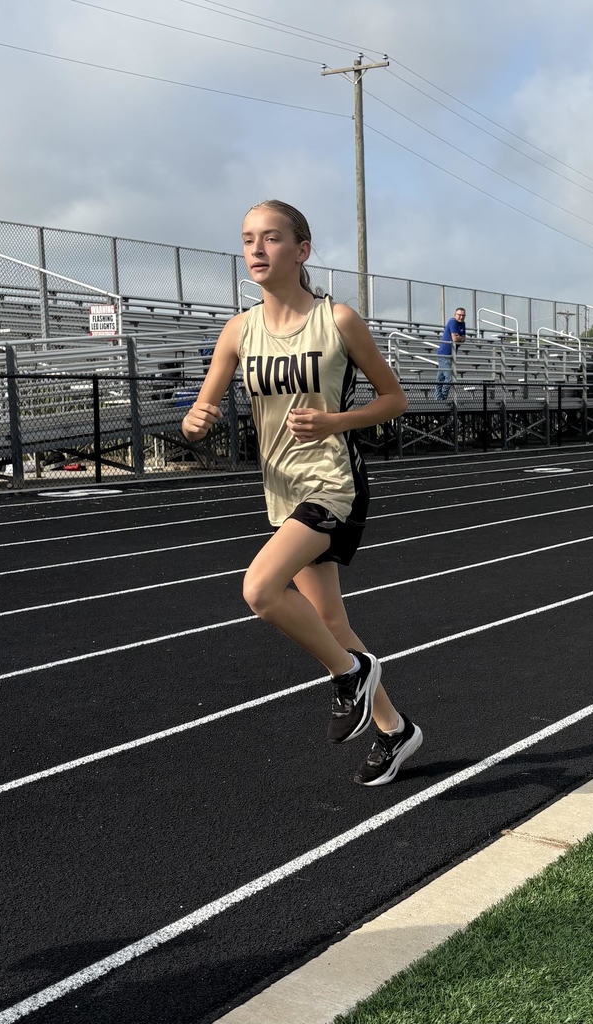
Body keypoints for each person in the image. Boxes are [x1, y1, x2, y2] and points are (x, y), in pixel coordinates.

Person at [181, 200, 422, 786]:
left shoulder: (337, 321)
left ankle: (349, 677)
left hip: (333, 483)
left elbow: (395, 400)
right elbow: (205, 403)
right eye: (247, 240)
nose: (257, 250)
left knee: (260, 588)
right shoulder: (238, 331)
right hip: (281, 488)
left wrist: (335, 422)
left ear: (302, 250)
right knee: (330, 623)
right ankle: (396, 732)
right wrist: (197, 420)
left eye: (270, 238)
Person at [434, 306, 466, 401]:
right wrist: (459, 338)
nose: (461, 317)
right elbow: (455, 339)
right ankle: (442, 398)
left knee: (440, 378)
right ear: (455, 315)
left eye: (463, 315)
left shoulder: (462, 324)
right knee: (448, 379)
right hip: (444, 354)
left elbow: (463, 339)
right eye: (459, 315)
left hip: (451, 354)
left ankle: (437, 398)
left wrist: (459, 338)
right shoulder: (452, 321)